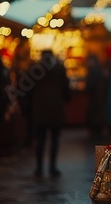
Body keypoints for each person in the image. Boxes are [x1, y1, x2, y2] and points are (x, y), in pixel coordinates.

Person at [32, 49, 70, 177]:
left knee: (40, 139)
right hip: (56, 109)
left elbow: (28, 90)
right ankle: (53, 167)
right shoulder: (59, 69)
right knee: (54, 140)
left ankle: (39, 167)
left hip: (39, 109)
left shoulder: (36, 69)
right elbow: (66, 88)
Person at [85, 53, 107, 143]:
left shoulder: (93, 70)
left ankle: (95, 136)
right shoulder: (100, 69)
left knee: (94, 117)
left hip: (95, 98)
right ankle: (98, 135)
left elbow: (90, 85)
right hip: (100, 98)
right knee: (98, 117)